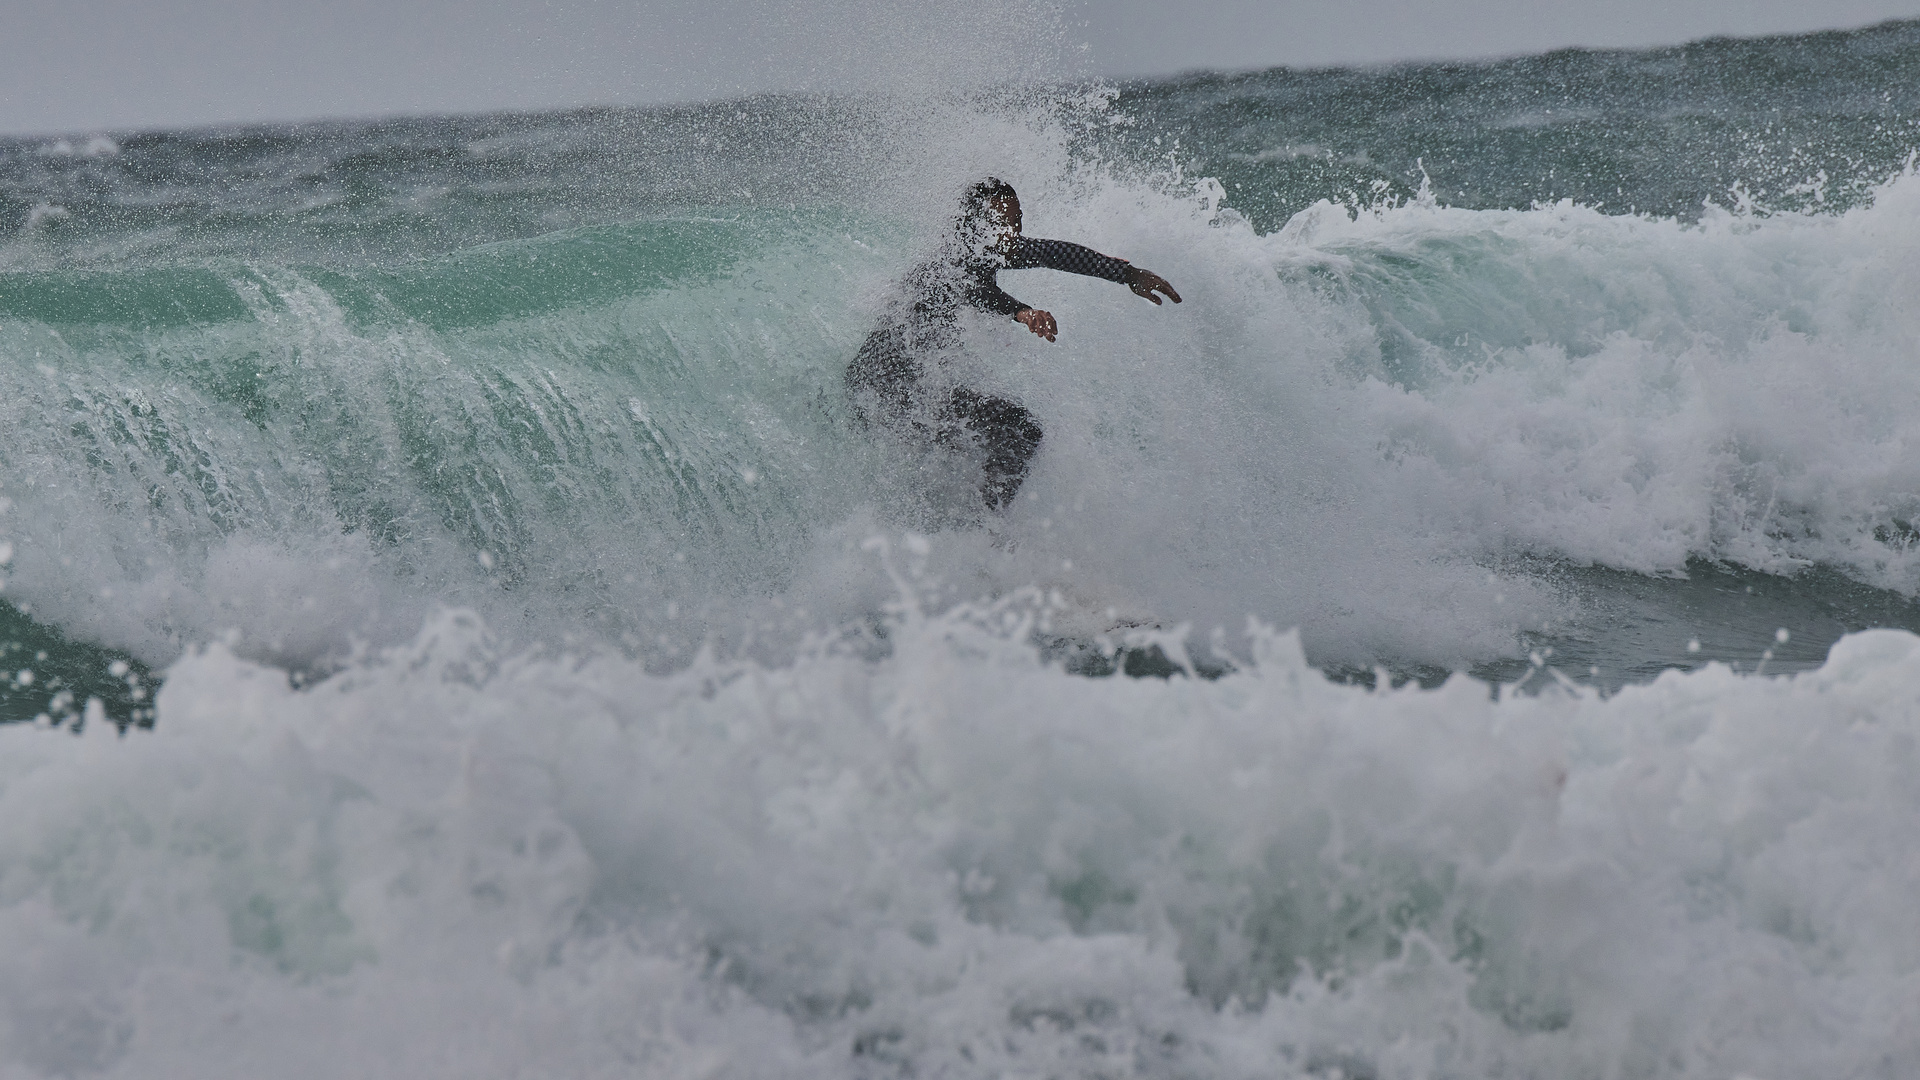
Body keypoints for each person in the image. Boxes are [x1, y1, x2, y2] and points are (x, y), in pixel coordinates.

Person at [846, 178, 1181, 512]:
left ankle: (965, 529)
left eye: (1017, 219)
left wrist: (1128, 274)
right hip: (882, 386)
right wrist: (1021, 311)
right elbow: (974, 291)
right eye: (1003, 221)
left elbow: (1054, 254)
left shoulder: (986, 251)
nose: (1015, 230)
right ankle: (979, 530)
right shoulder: (950, 262)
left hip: (907, 386)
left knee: (1011, 433)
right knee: (1019, 431)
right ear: (977, 223)